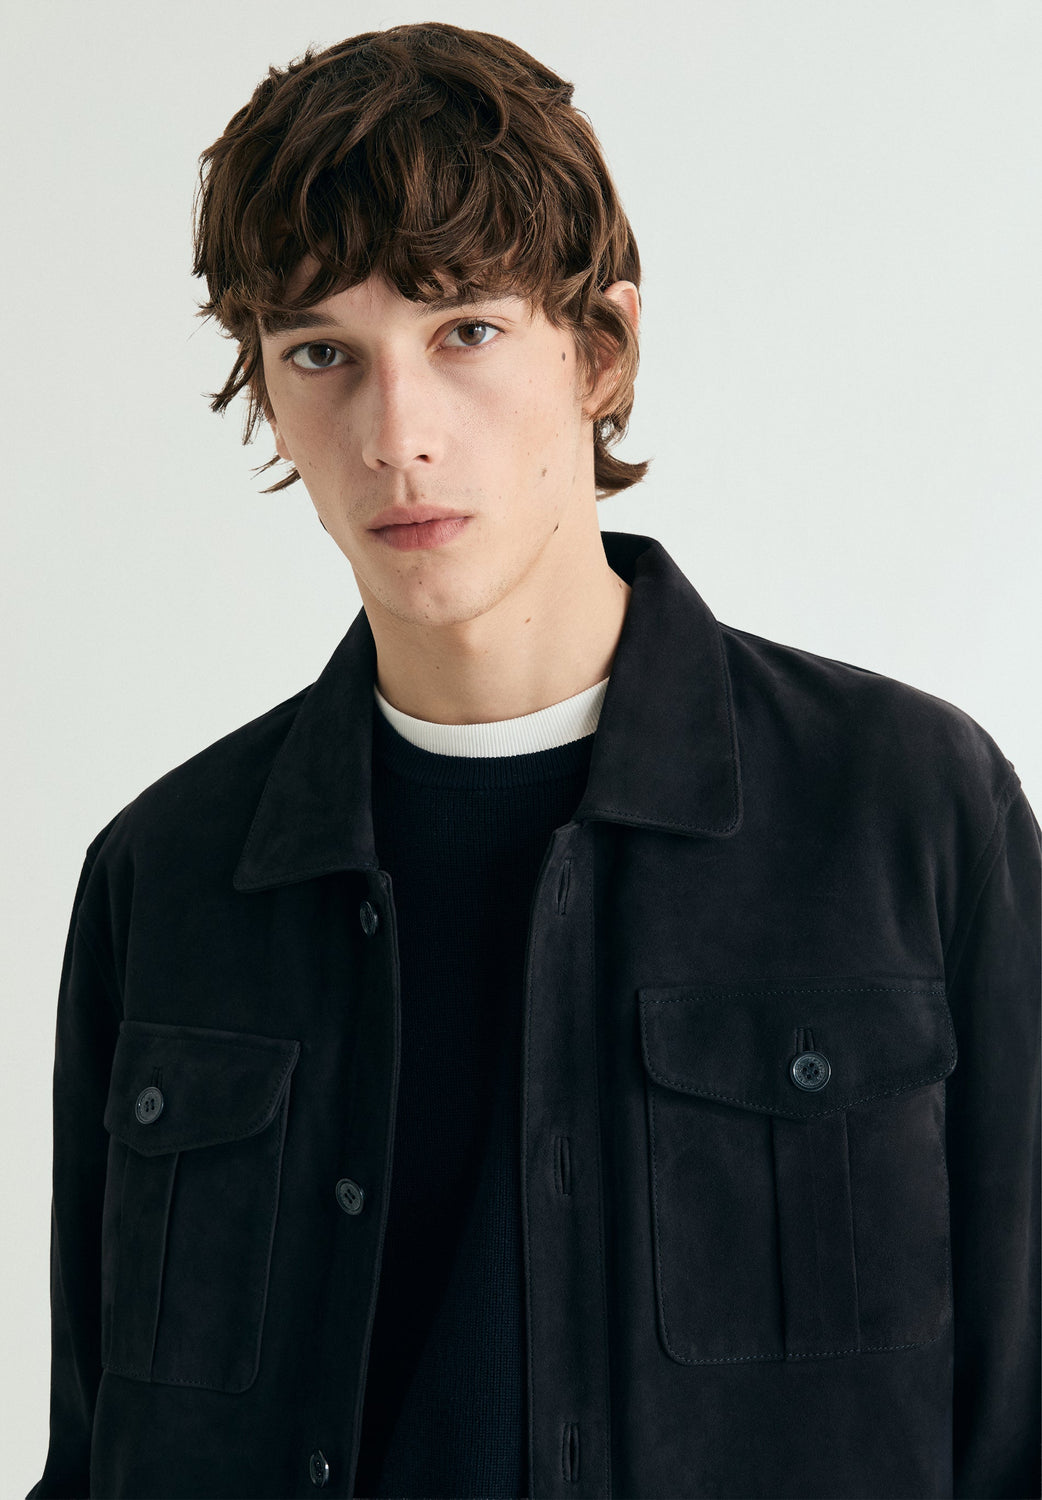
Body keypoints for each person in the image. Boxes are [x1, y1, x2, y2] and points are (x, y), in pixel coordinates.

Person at [28, 21, 1039, 1500]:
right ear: (268, 390)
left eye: (466, 333)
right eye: (322, 353)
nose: (396, 436)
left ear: (601, 349)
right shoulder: (165, 878)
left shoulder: (907, 814)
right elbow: (93, 1454)